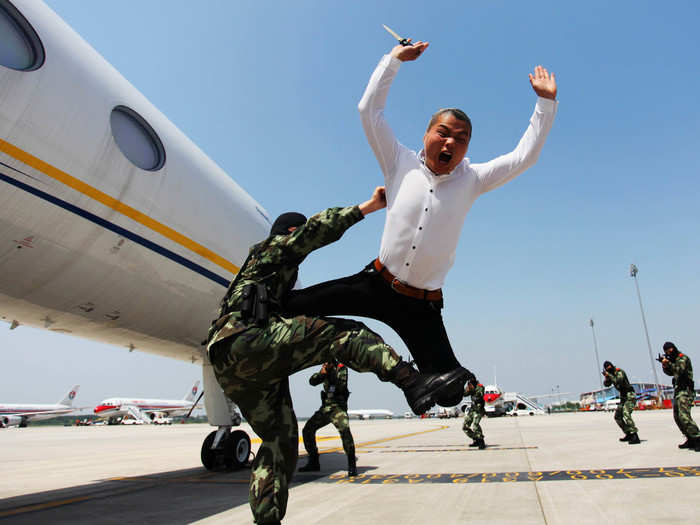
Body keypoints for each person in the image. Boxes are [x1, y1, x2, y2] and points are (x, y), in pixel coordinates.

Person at [284, 39, 557, 406]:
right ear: (426, 135)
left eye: (460, 139)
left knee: (448, 392)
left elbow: (524, 156)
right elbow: (369, 111)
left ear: (466, 148)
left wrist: (545, 104)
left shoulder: (473, 179)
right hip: (375, 283)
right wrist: (394, 60)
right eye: (442, 133)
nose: (450, 143)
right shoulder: (399, 163)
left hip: (421, 306)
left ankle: (413, 381)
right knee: (291, 305)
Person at [206, 186, 470, 525]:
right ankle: (410, 380)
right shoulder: (271, 249)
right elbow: (316, 230)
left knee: (278, 443)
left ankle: (267, 520)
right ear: (290, 233)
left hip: (233, 361)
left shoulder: (266, 277)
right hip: (247, 339)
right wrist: (368, 207)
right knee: (344, 334)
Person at [298, 360, 357, 476]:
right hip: (325, 408)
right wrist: (322, 373)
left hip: (338, 408)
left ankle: (352, 465)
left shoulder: (341, 368)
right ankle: (314, 462)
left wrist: (330, 373)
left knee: (345, 431)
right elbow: (312, 381)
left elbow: (341, 385)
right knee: (307, 430)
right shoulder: (325, 368)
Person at [660, 342, 700, 451]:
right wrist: (664, 365)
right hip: (678, 391)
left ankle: (697, 438)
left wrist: (668, 363)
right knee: (677, 416)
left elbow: (680, 370)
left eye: (669, 350)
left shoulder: (683, 358)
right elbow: (671, 373)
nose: (668, 353)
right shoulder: (674, 360)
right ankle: (690, 438)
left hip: (686, 391)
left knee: (684, 416)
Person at [602, 361, 640, 444]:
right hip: (623, 398)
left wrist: (610, 376)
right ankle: (628, 433)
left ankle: (635, 435)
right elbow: (606, 384)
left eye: (609, 366)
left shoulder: (619, 371)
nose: (608, 368)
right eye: (606, 367)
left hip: (629, 395)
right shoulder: (611, 375)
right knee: (618, 416)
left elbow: (619, 380)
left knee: (626, 413)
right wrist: (607, 378)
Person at [462, 377, 486, 449]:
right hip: (472, 409)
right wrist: (464, 388)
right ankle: (476, 439)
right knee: (465, 427)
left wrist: (471, 389)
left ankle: (481, 441)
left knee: (475, 425)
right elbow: (464, 394)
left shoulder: (480, 387)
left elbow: (480, 396)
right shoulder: (470, 387)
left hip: (479, 409)